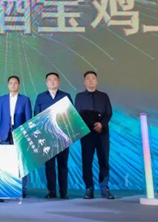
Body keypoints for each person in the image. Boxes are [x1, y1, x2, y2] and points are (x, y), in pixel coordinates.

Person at [75, 70, 114, 200]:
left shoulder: (104, 96)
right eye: (88, 78)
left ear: (96, 81)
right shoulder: (79, 96)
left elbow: (109, 113)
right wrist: (93, 125)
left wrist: (101, 124)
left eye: (93, 78)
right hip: (87, 133)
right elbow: (78, 114)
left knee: (104, 161)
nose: (91, 80)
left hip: (102, 133)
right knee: (87, 161)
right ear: (84, 82)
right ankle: (89, 189)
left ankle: (104, 188)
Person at [34, 72, 73, 199]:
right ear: (46, 83)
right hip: (47, 137)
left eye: (54, 79)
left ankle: (63, 191)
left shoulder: (65, 96)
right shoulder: (40, 97)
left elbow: (71, 115)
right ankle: (52, 191)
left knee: (63, 165)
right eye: (49, 80)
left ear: (59, 82)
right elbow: (37, 116)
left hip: (63, 137)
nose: (52, 81)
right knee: (49, 166)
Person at [0, 75, 32, 198]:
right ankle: (7, 187)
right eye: (11, 83)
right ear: (8, 85)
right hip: (5, 134)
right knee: (6, 161)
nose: (13, 85)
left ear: (19, 85)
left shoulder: (25, 99)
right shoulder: (2, 99)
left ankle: (22, 188)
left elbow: (28, 119)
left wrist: (27, 135)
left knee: (21, 162)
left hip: (20, 134)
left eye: (15, 83)